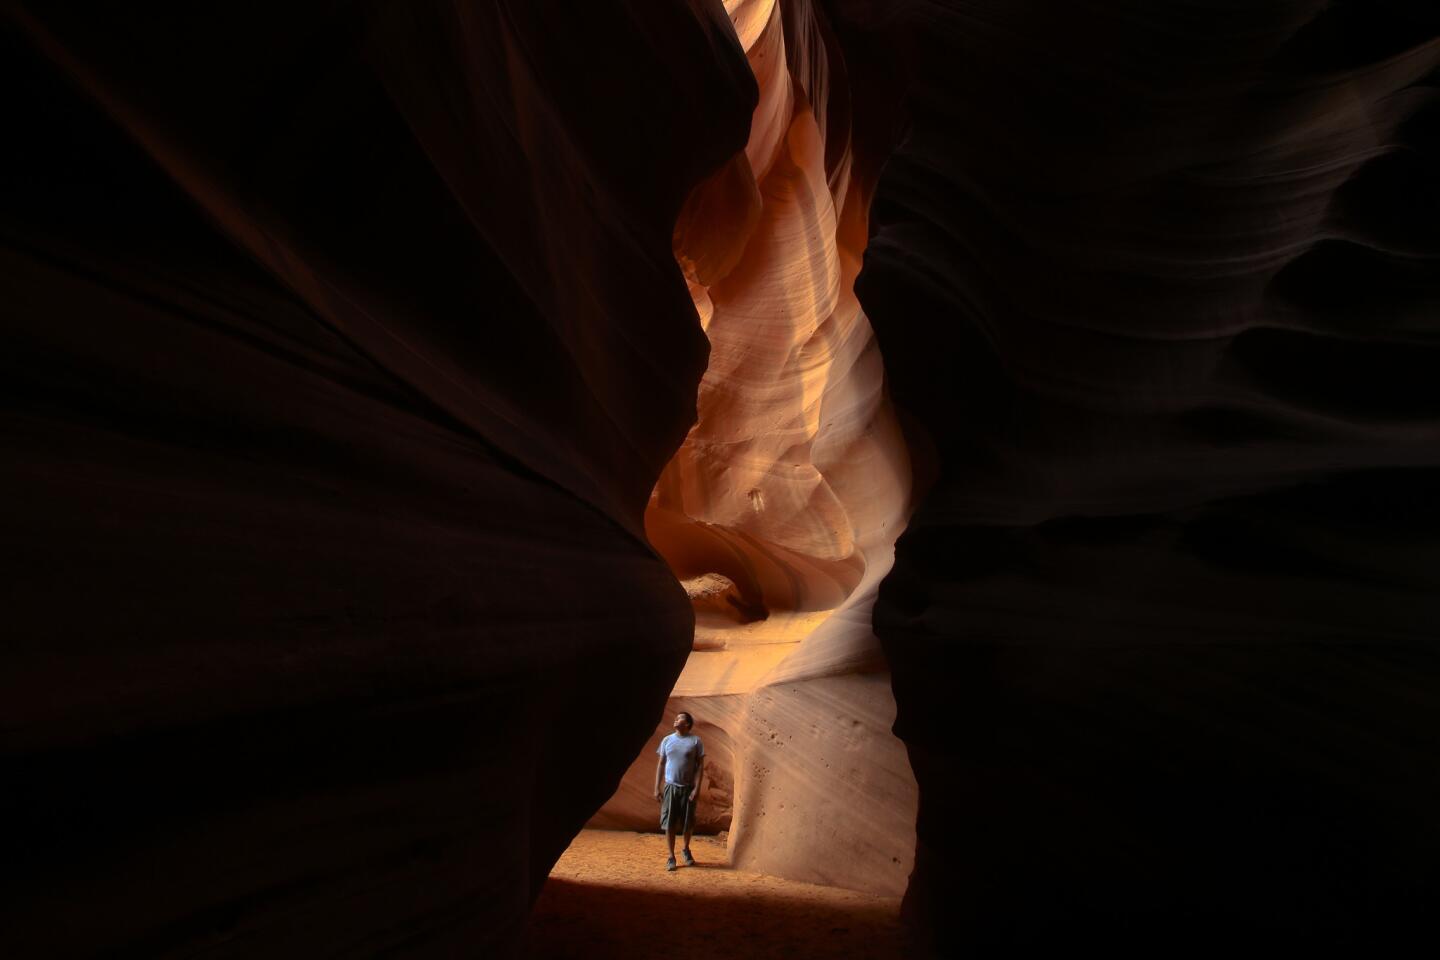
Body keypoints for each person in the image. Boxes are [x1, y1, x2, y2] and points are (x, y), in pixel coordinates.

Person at [653, 710, 704, 871]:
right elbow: (661, 764)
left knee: (688, 823)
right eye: (675, 719)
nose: (675, 720)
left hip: (688, 788)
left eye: (679, 719)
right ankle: (671, 856)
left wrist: (697, 788)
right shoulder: (667, 740)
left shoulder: (695, 741)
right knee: (669, 823)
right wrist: (657, 787)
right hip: (670, 787)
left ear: (687, 724)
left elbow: (700, 767)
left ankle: (686, 849)